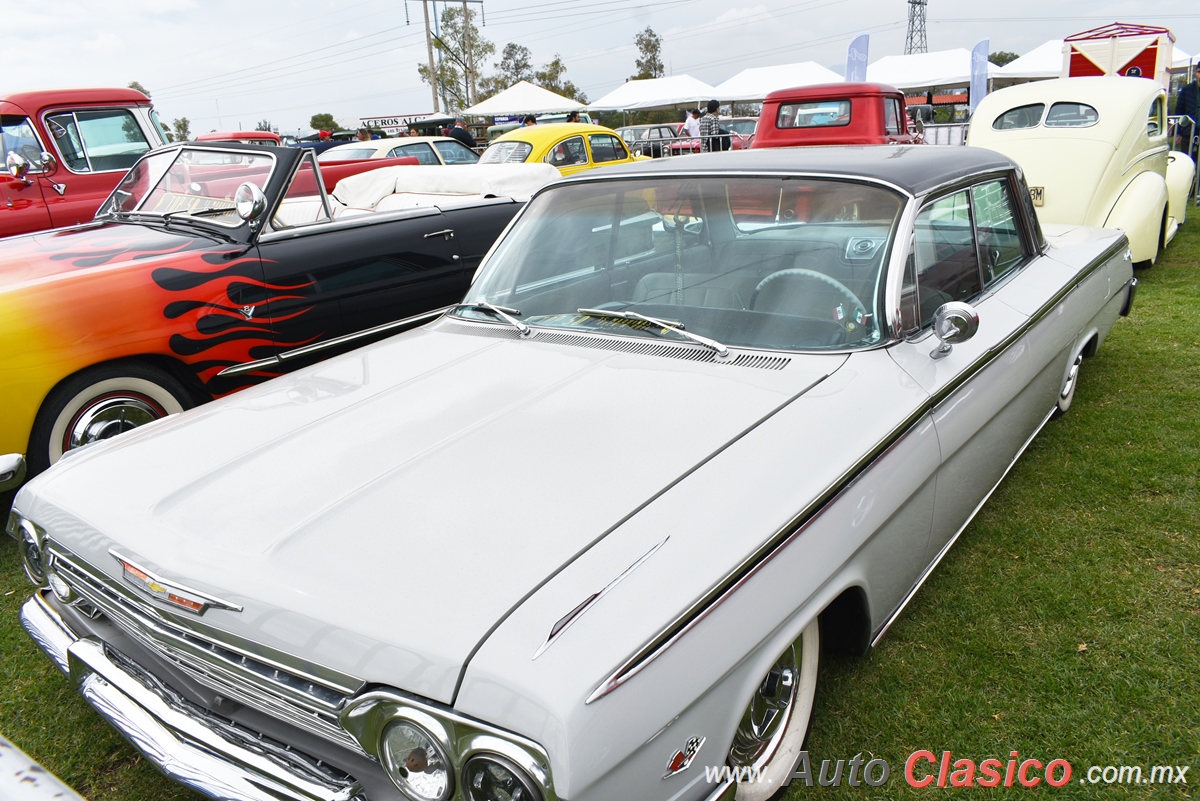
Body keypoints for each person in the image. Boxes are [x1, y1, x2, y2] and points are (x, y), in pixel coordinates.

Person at [1176, 69, 1199, 155]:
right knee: (1187, 161)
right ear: (1196, 73)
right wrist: (1178, 132)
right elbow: (1179, 112)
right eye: (1199, 72)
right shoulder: (1186, 90)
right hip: (1188, 133)